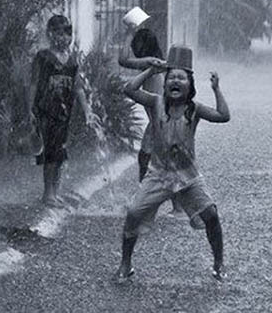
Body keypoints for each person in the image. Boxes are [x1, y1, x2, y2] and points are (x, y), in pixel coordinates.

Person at [116, 45, 230, 282]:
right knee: (133, 213)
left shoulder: (194, 109)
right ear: (165, 83)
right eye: (171, 78)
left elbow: (223, 116)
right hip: (158, 174)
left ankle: (219, 263)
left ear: (190, 85)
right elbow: (129, 89)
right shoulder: (156, 102)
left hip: (187, 175)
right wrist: (150, 71)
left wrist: (217, 89)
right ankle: (125, 263)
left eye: (182, 78)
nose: (176, 81)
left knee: (211, 214)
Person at [118, 27, 185, 216]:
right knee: (161, 161)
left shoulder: (149, 63)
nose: (132, 48)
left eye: (135, 45)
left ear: (142, 46)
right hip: (163, 119)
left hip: (160, 121)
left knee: (152, 160)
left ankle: (147, 204)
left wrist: (128, 33)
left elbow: (123, 60)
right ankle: (163, 204)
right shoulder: (156, 63)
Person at [29, 15, 93, 207]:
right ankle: (48, 194)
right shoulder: (43, 57)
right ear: (50, 34)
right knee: (51, 152)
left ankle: (54, 192)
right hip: (45, 111)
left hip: (64, 114)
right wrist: (29, 109)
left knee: (60, 153)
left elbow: (78, 87)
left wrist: (87, 110)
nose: (64, 38)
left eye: (67, 34)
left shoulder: (72, 61)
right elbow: (33, 84)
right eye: (59, 33)